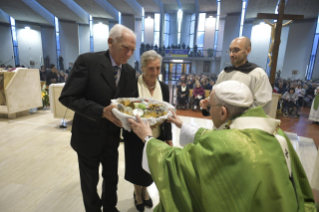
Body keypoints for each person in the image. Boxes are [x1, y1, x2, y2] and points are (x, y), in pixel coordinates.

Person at [128, 80, 316, 212]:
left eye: (211, 107)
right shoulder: (275, 133)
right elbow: (222, 137)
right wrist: (182, 125)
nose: (209, 111)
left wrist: (148, 139)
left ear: (224, 112)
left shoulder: (225, 144)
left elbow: (176, 163)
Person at [59, 24, 137, 212]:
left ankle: (110, 207)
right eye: (125, 48)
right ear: (110, 42)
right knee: (90, 181)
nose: (128, 54)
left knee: (111, 177)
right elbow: (68, 97)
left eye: (132, 50)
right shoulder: (88, 62)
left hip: (112, 137)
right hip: (88, 136)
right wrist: (101, 111)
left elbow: (131, 102)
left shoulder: (128, 71)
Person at [123, 50, 172, 212]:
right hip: (135, 137)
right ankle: (137, 193)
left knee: (149, 168)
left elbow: (167, 114)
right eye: (151, 68)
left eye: (158, 68)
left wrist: (169, 138)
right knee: (136, 167)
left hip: (156, 137)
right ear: (142, 67)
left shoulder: (164, 88)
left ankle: (145, 191)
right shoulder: (132, 86)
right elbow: (124, 111)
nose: (155, 72)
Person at [202, 37, 272, 115]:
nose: (231, 54)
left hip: (243, 124)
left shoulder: (258, 74)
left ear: (248, 51)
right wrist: (209, 102)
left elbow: (263, 105)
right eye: (230, 50)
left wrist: (234, 116)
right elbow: (217, 95)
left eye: (236, 50)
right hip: (222, 124)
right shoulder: (224, 73)